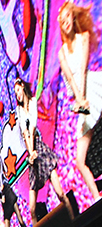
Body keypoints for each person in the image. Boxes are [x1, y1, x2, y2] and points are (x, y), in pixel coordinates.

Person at [58, 1, 102, 203]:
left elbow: (83, 71)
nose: (66, 22)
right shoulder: (61, 53)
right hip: (82, 100)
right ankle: (96, 199)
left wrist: (83, 99)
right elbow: (71, 80)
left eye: (68, 18)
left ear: (73, 18)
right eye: (62, 20)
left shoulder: (83, 38)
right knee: (79, 160)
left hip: (92, 89)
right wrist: (78, 100)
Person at [14, 77, 71, 223]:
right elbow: (25, 133)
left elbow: (32, 128)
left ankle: (74, 221)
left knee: (60, 194)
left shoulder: (32, 103)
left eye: (18, 90)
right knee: (32, 208)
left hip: (39, 150)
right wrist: (30, 154)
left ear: (23, 87)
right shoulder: (19, 111)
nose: (18, 95)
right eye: (15, 93)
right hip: (31, 155)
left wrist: (33, 150)